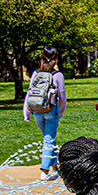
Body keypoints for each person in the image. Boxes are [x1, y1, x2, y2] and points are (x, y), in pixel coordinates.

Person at [24, 47, 66, 180]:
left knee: (48, 139)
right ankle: (45, 170)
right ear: (56, 59)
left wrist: (26, 112)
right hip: (51, 110)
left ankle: (55, 168)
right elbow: (62, 96)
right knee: (49, 140)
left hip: (36, 110)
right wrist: (61, 111)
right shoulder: (57, 75)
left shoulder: (35, 73)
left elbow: (29, 93)